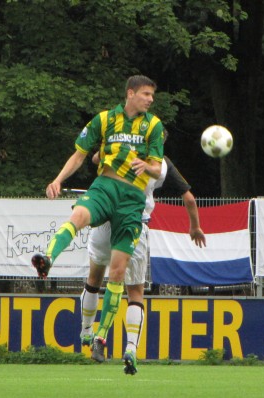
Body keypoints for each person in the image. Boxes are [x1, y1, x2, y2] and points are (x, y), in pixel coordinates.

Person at [31, 75, 164, 361]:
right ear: (130, 93)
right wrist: (57, 179)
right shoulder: (104, 120)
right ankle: (49, 257)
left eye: (152, 95)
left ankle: (101, 338)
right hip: (105, 185)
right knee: (78, 214)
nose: (150, 99)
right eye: (146, 94)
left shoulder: (153, 126)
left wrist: (147, 166)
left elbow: (158, 167)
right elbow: (80, 154)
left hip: (132, 200)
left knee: (117, 272)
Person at [81, 148, 206, 374]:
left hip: (106, 222)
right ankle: (130, 349)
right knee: (135, 292)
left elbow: (95, 159)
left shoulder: (117, 146)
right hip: (134, 225)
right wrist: (195, 226)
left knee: (94, 278)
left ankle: (87, 331)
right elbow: (189, 197)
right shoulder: (161, 165)